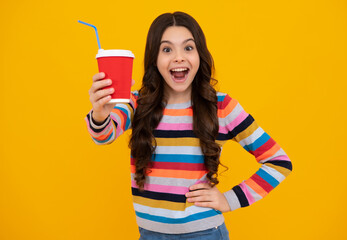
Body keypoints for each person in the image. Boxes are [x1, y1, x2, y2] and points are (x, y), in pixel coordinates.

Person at [85, 11, 292, 240]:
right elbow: (103, 135)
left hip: (203, 234)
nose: (178, 58)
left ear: (199, 55)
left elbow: (278, 161)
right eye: (166, 49)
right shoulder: (136, 103)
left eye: (188, 48)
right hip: (149, 234)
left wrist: (229, 200)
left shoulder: (221, 106)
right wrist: (100, 112)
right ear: (154, 59)